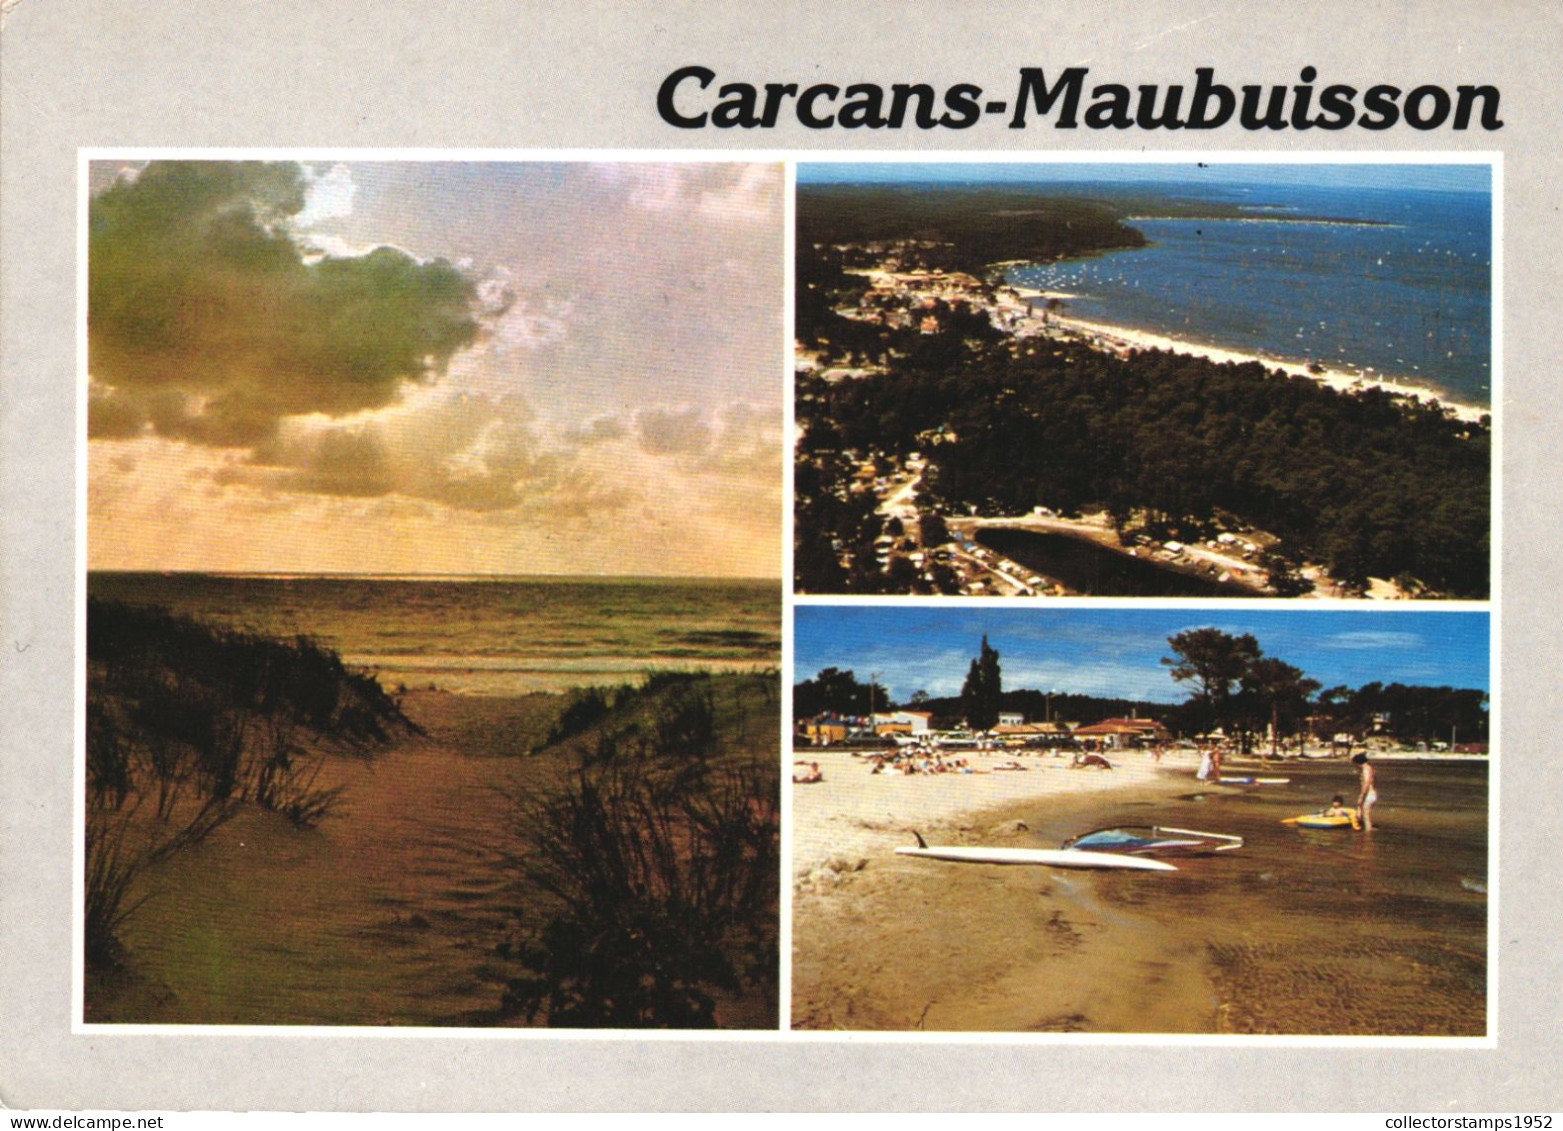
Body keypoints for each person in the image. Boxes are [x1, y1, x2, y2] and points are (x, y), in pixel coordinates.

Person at [1353, 752, 1377, 831]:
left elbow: (1366, 783)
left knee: (1366, 814)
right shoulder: (1370, 768)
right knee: (1365, 813)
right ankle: (1369, 829)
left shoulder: (1365, 769)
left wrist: (1361, 795)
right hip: (1372, 793)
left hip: (1369, 794)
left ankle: (1368, 833)